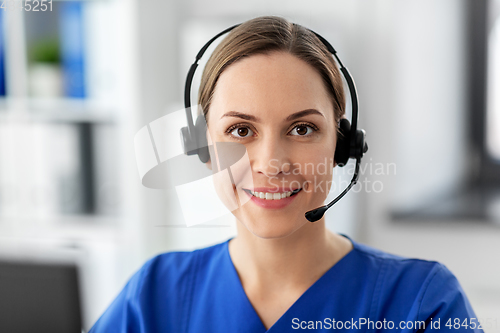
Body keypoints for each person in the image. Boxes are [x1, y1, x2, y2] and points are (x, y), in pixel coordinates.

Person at [89, 16, 483, 332]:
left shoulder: (422, 304)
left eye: (302, 129)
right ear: (201, 147)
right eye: (241, 131)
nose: (271, 162)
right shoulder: (154, 296)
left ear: (342, 146)